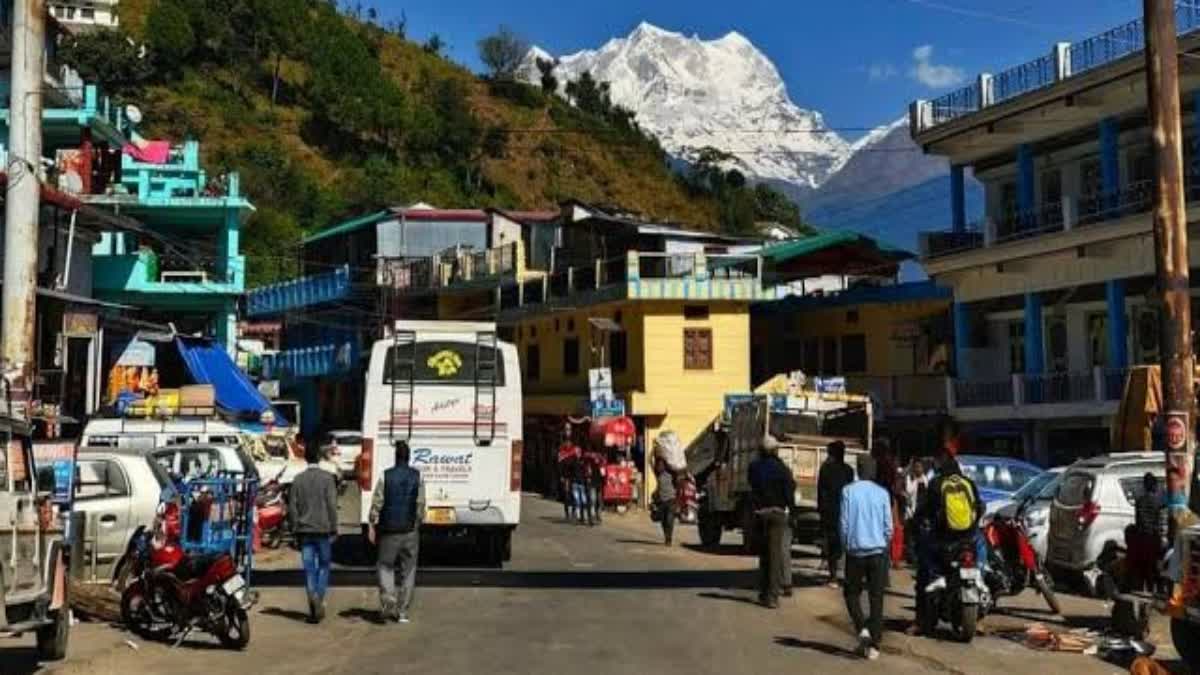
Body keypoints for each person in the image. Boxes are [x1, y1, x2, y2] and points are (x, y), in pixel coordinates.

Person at [914, 453, 983, 631]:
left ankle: (923, 622)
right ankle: (980, 619)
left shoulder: (936, 485)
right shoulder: (969, 484)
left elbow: (923, 511)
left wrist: (916, 523)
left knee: (924, 574)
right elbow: (980, 507)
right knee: (980, 572)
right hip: (968, 540)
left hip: (943, 542)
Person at [840, 455, 893, 660]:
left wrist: (847, 545)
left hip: (855, 552)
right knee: (876, 598)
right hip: (878, 552)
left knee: (851, 593)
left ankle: (862, 628)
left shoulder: (848, 491)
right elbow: (888, 527)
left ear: (858, 470)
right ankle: (875, 645)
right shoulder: (882, 494)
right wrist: (884, 544)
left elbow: (843, 524)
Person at [369, 440, 425, 623]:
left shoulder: (386, 476)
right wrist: (417, 523)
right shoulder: (418, 477)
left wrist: (372, 522)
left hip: (389, 531)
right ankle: (402, 612)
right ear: (408, 458)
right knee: (408, 571)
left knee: (385, 565)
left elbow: (377, 502)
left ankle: (388, 597)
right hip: (410, 530)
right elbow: (420, 504)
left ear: (396, 457)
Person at [289, 440, 340, 624]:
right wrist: (334, 526)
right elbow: (332, 506)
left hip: (304, 530)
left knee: (309, 567)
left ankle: (312, 596)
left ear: (305, 458)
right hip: (323, 529)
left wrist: (295, 528)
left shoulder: (298, 480)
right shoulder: (327, 479)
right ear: (319, 458)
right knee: (324, 565)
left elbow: (292, 508)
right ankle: (318, 595)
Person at [749, 440, 797, 608]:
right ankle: (772, 596)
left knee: (764, 555)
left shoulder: (754, 467)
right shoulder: (783, 470)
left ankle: (764, 592)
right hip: (777, 514)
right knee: (775, 555)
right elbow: (790, 492)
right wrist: (793, 512)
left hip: (761, 514)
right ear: (775, 451)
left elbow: (752, 487)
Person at [818, 441, 855, 587]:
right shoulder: (849, 470)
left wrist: (821, 510)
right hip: (846, 511)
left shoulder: (826, 469)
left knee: (833, 543)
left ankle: (833, 576)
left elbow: (821, 491)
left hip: (831, 512)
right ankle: (846, 576)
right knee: (845, 544)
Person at [653, 457, 677, 545]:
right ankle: (667, 537)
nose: (659, 467)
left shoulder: (671, 474)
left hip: (671, 499)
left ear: (665, 466)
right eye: (658, 465)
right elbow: (659, 487)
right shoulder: (658, 476)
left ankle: (669, 538)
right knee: (663, 521)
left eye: (661, 465)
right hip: (662, 501)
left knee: (669, 520)